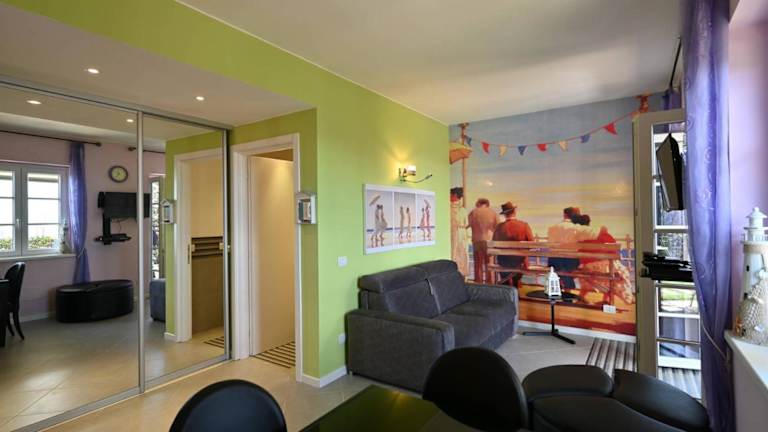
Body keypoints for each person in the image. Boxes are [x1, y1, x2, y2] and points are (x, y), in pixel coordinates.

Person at [573, 215, 635, 305]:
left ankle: (581, 296)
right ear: (589, 222)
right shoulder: (598, 232)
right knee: (616, 273)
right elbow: (613, 247)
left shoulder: (579, 235)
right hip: (606, 265)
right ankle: (607, 299)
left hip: (588, 266)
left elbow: (580, 254)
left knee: (589, 274)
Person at [546, 207, 597, 289]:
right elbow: (593, 235)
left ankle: (563, 288)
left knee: (563, 271)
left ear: (564, 215)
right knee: (568, 270)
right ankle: (569, 289)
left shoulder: (552, 228)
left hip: (553, 261)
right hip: (570, 262)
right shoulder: (576, 228)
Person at [492, 201, 534, 288]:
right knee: (519, 263)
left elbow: (494, 244)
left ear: (504, 214)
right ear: (514, 212)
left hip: (503, 262)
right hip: (519, 263)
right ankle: (514, 286)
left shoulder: (499, 227)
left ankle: (507, 287)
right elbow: (531, 243)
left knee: (506, 274)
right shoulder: (524, 225)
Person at [468, 198, 498, 283]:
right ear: (487, 204)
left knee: (478, 264)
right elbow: (497, 227)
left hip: (477, 241)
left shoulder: (473, 212)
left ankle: (478, 283)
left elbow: (469, 224)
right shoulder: (493, 213)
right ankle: (490, 283)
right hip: (489, 242)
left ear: (478, 203)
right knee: (490, 264)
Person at [450, 187, 470, 276]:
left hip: (458, 233)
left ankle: (460, 273)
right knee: (456, 252)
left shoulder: (460, 209)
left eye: (450, 195)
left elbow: (466, 224)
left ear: (454, 195)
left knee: (459, 253)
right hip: (456, 233)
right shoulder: (462, 210)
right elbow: (466, 224)